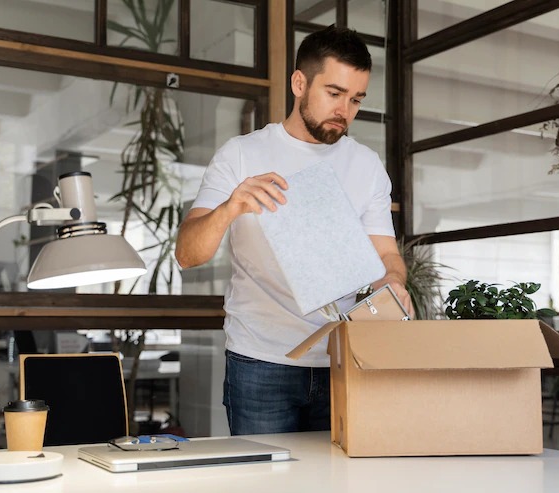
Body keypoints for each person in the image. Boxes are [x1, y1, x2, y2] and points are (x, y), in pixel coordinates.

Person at [175, 25, 413, 435]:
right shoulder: (241, 155)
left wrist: (392, 284)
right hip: (260, 360)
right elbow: (187, 254)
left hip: (343, 357)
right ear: (299, 83)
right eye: (334, 93)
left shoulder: (367, 165)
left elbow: (386, 257)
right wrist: (231, 207)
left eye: (356, 99)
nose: (345, 110)